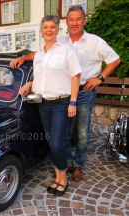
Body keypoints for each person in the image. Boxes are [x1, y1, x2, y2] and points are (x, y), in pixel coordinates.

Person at [10, 5, 120, 182]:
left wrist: (100, 77)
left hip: (84, 90)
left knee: (82, 132)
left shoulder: (94, 41)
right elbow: (41, 54)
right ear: (66, 22)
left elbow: (115, 60)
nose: (74, 23)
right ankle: (66, 162)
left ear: (84, 20)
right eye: (71, 19)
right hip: (63, 92)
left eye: (78, 19)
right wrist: (23, 58)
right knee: (65, 133)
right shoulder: (60, 39)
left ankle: (78, 165)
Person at [26, 14, 81, 196]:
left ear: (57, 29)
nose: (49, 30)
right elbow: (41, 79)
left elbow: (76, 76)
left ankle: (63, 179)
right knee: (51, 142)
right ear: (41, 31)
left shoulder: (66, 50)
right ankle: (57, 176)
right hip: (44, 104)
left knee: (58, 143)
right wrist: (29, 84)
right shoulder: (39, 54)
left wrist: (72, 101)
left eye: (52, 26)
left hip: (61, 103)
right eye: (45, 27)